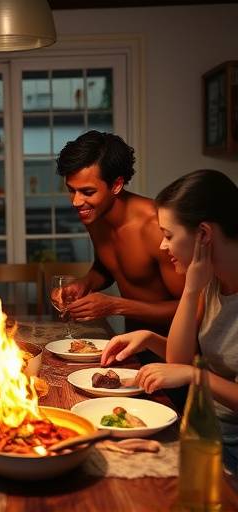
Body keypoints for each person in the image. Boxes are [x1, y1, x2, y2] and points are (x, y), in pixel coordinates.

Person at [101, 169, 238, 474]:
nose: (163, 247)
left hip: (229, 452)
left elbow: (185, 370)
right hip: (200, 432)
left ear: (203, 234)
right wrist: (151, 335)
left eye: (169, 235)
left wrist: (193, 375)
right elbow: (179, 360)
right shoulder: (211, 280)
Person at [56, 130, 185, 335]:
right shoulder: (95, 216)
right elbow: (110, 266)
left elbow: (195, 307)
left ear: (116, 185)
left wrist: (115, 306)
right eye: (72, 190)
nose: (76, 202)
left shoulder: (155, 227)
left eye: (87, 192)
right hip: (132, 341)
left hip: (174, 346)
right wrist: (85, 283)